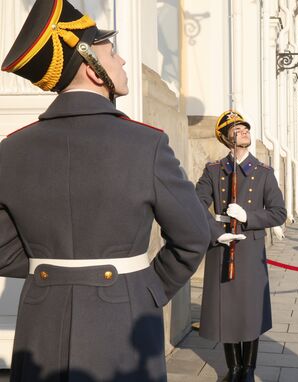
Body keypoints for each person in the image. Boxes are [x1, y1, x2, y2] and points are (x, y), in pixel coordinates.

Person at [0, 1, 210, 380]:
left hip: (41, 325)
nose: (123, 60)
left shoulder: (11, 149)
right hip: (125, 329)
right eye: (111, 52)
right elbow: (195, 235)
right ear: (91, 69)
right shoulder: (146, 144)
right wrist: (145, 291)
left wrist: (53, 272)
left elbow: (1, 250)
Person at [196, 110, 287, 382]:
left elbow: (278, 212)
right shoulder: (213, 170)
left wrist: (248, 216)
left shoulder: (263, 172)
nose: (244, 130)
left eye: (245, 127)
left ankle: (248, 370)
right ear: (225, 138)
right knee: (226, 312)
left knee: (249, 313)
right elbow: (194, 205)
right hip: (222, 245)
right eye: (236, 129)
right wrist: (215, 232)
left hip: (249, 250)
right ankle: (233, 368)